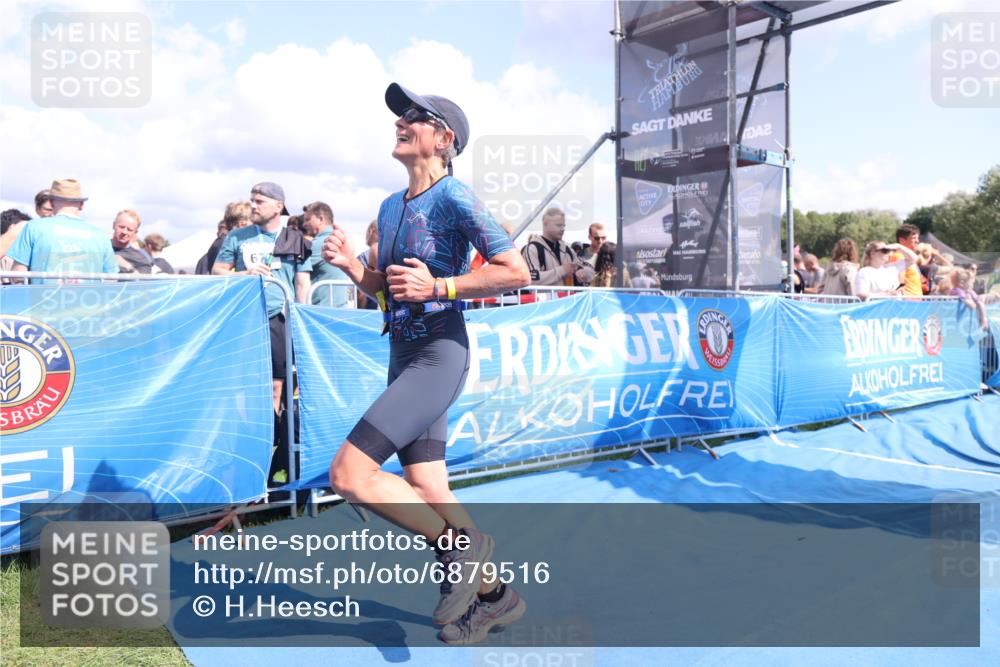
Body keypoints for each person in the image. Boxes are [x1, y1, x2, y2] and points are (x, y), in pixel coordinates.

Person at [321, 83, 530, 645]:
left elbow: (515, 272)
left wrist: (439, 283)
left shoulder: (457, 197)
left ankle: (458, 551)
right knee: (426, 482)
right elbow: (391, 293)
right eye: (400, 115)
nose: (401, 121)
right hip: (403, 352)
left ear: (444, 138)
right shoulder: (390, 207)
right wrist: (350, 267)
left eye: (415, 116)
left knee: (351, 475)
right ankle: (493, 597)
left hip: (439, 354)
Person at [213, 182, 310, 484]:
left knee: (277, 390)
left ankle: (274, 465)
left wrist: (302, 319)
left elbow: (303, 282)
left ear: (278, 206)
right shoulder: (237, 236)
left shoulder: (295, 239)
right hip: (246, 321)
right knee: (248, 392)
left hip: (280, 319)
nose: (253, 205)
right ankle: (251, 457)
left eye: (259, 201)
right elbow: (217, 271)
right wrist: (244, 274)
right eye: (251, 200)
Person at [7, 179, 117, 283]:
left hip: (43, 301)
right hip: (89, 301)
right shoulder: (100, 235)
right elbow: (111, 278)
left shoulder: (33, 227)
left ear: (51, 202)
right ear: (82, 205)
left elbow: (18, 275)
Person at [522, 207, 594, 287]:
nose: (562, 229)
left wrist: (584, 272)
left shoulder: (567, 249)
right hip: (546, 299)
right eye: (558, 225)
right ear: (545, 224)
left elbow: (587, 272)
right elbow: (531, 280)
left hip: (568, 299)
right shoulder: (533, 248)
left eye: (564, 226)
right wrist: (563, 270)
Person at [300, 201, 350, 307]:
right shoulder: (342, 241)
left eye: (308, 219)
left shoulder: (318, 244)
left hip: (322, 311)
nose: (304, 224)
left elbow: (292, 270)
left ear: (321, 219)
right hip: (341, 308)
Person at [891, 223, 922, 297]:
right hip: (908, 301)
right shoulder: (899, 256)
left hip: (916, 301)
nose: (917, 241)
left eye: (918, 238)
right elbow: (899, 282)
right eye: (914, 238)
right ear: (902, 240)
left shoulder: (909, 257)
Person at [356, 220, 379, 309]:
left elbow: (361, 293)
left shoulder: (364, 257)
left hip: (372, 314)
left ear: (371, 231)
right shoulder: (392, 252)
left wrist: (360, 314)